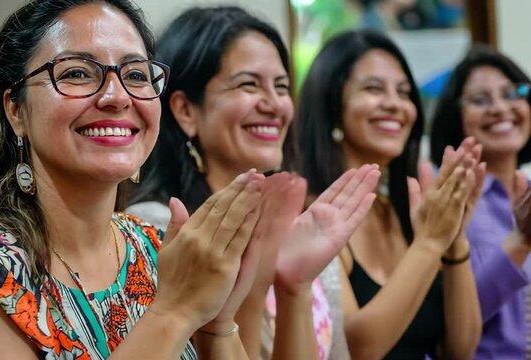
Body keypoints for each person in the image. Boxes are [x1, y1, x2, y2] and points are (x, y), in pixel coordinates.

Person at [128, 6, 379, 360]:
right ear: (186, 110)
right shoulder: (160, 229)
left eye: (281, 86)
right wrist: (256, 279)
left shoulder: (302, 223)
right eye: (248, 84)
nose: (274, 104)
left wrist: (295, 286)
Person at [297, 29, 482, 359]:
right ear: (331, 103)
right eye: (373, 88)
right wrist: (430, 242)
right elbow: (355, 349)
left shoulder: (401, 209)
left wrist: (455, 238)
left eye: (404, 92)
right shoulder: (310, 216)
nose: (395, 105)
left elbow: (459, 348)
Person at [430, 44, 531, 359]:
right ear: (454, 116)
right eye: (480, 99)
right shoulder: (447, 201)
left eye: (512, 93)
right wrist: (520, 243)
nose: (501, 108)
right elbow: (447, 325)